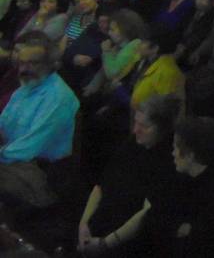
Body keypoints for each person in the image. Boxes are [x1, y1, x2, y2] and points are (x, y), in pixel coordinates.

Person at [77, 95, 180, 256]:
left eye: (144, 126)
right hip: (101, 223)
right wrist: (84, 224)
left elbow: (145, 215)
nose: (135, 130)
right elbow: (100, 186)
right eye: (136, 122)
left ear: (162, 129)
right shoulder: (132, 144)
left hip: (126, 239)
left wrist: (105, 244)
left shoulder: (170, 161)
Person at [0, 32, 80, 208]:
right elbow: (3, 125)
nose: (24, 69)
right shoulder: (26, 87)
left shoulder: (58, 98)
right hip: (14, 159)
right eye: (22, 63)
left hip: (41, 173)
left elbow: (29, 147)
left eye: (33, 63)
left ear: (50, 64)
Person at [144, 116, 214, 257]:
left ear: (190, 155)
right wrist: (179, 228)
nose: (173, 153)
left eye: (176, 148)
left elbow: (207, 241)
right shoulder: (176, 178)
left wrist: (175, 227)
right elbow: (151, 217)